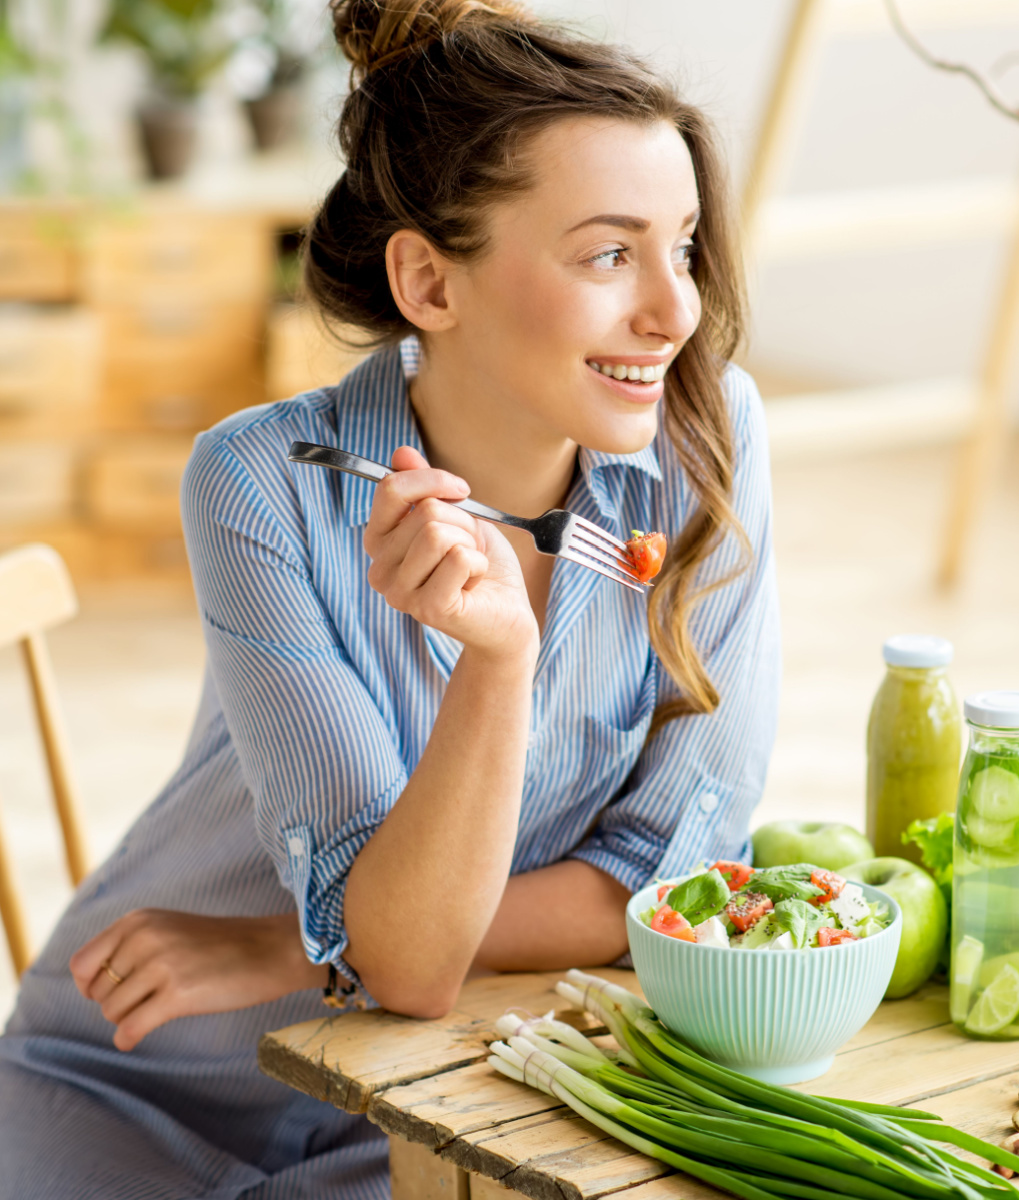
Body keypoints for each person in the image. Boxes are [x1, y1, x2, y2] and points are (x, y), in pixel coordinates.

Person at [0, 1, 779, 1195]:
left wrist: (292, 947)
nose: (674, 312)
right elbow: (408, 959)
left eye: (679, 246)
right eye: (608, 254)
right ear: (428, 279)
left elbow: (666, 882)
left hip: (436, 1096)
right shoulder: (262, 480)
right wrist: (497, 670)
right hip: (139, 1074)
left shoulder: (710, 446)